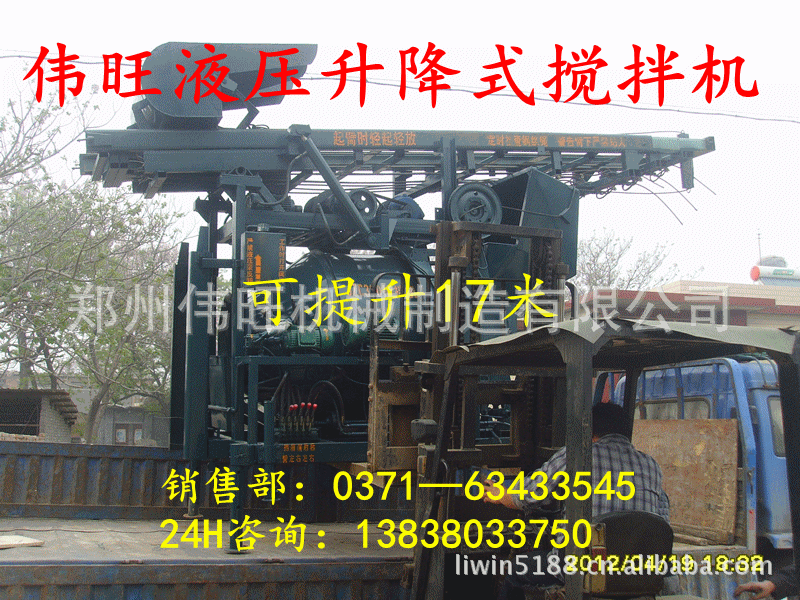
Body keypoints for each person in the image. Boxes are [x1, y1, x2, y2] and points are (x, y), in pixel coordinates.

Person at [483, 402, 670, 599]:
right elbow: (662, 522)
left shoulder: (576, 456)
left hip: (582, 570)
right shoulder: (652, 466)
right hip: (636, 574)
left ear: (590, 430)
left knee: (516, 568)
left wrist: (502, 495)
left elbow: (529, 495)